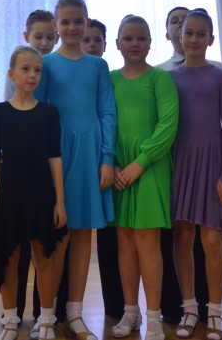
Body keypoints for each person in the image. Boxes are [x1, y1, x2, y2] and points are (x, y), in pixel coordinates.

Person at [33, 0, 116, 340]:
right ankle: (47, 313)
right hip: (57, 154)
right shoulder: (46, 64)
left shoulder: (97, 66)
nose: (71, 27)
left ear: (87, 23)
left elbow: (107, 112)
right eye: (65, 22)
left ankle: (76, 312)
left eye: (77, 22)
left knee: (82, 234)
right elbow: (37, 111)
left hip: (89, 154)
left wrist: (107, 158)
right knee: (56, 234)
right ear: (55, 25)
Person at [0, 46, 69, 340]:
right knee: (9, 257)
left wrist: (60, 201)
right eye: (25, 69)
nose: (32, 75)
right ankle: (10, 319)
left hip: (42, 194)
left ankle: (46, 318)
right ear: (12, 73)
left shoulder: (49, 112)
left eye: (37, 70)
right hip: (9, 195)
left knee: (44, 256)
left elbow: (54, 157)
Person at [109, 16, 178, 340]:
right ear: (117, 44)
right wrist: (113, 162)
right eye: (128, 38)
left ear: (150, 42)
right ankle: (130, 311)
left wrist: (141, 162)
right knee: (124, 240)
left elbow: (168, 125)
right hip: (119, 170)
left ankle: (154, 317)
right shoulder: (110, 79)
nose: (135, 44)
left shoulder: (160, 78)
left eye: (141, 38)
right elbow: (106, 120)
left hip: (150, 169)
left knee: (148, 241)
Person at [170, 10, 222, 340]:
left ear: (211, 39)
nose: (194, 39)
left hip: (212, 165)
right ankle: (189, 309)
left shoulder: (220, 77)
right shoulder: (170, 78)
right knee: (183, 238)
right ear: (180, 37)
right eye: (189, 33)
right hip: (180, 164)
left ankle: (215, 313)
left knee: (211, 240)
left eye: (200, 34)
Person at [0, 9, 59, 324]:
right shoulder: (11, 85)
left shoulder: (52, 76)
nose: (44, 42)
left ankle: (44, 314)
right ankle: (11, 313)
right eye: (39, 37)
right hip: (14, 182)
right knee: (13, 252)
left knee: (43, 251)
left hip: (41, 180)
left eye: (50, 37)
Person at [82, 18, 124, 321]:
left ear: (106, 45)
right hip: (79, 162)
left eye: (97, 40)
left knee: (111, 239)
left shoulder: (108, 76)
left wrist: (109, 159)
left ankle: (117, 308)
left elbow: (111, 118)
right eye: (87, 39)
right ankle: (58, 310)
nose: (92, 45)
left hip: (113, 166)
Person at [156, 6, 189, 71]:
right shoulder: (158, 71)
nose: (181, 21)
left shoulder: (211, 67)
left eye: (185, 20)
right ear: (167, 35)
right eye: (174, 21)